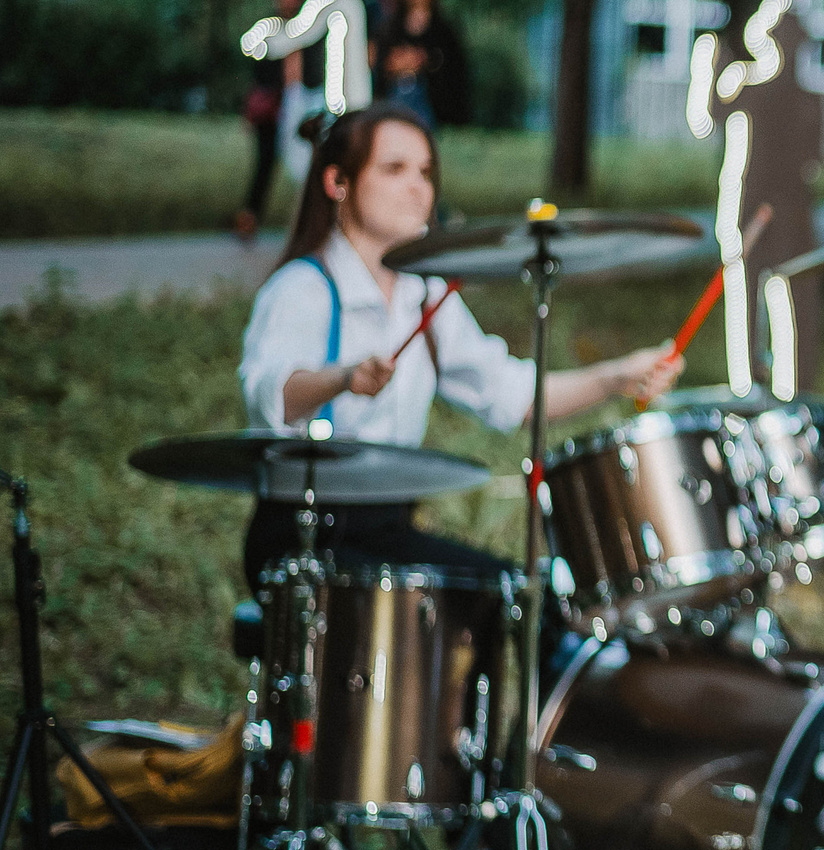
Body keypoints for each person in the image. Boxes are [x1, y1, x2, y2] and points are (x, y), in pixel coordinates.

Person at [238, 102, 682, 589]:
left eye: (425, 172)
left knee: (517, 592)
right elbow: (273, 395)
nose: (418, 188)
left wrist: (616, 377)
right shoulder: (302, 288)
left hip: (387, 525)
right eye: (395, 169)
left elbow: (512, 396)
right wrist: (343, 378)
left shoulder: (423, 294)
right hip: (303, 534)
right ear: (337, 182)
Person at [243, 0, 372, 184]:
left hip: (348, 94)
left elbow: (300, 32)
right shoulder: (329, 0)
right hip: (333, 94)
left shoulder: (346, 1)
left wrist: (265, 45)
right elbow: (302, 32)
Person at [236, 0, 320, 243]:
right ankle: (250, 215)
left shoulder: (310, 31)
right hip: (273, 106)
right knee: (265, 161)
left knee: (304, 164)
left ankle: (308, 220)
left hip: (299, 102)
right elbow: (258, 72)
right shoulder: (269, 29)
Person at [381, 0, 473, 130]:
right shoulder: (392, 26)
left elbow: (451, 67)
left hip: (429, 102)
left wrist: (424, 60)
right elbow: (383, 60)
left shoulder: (442, 28)